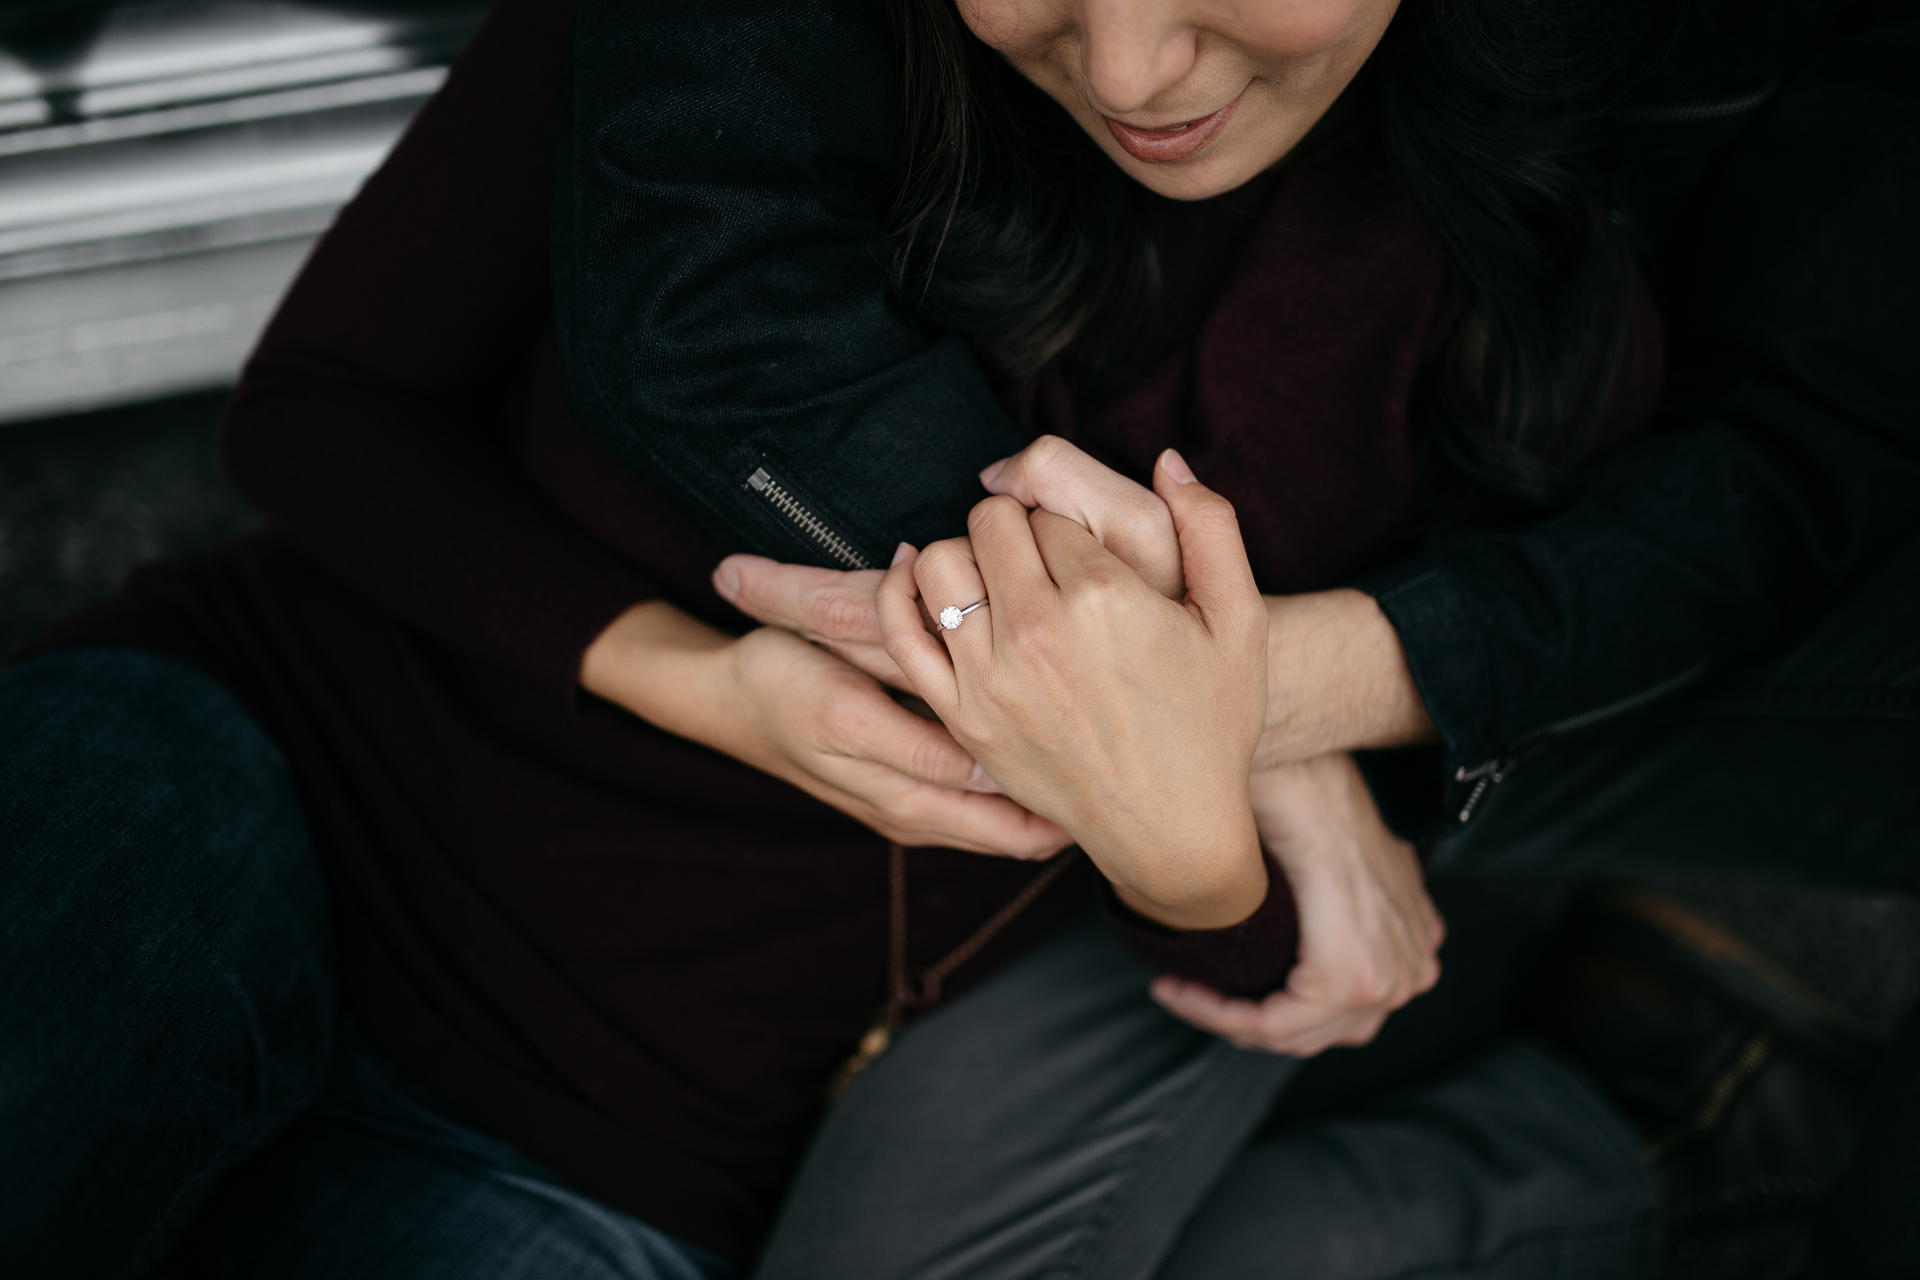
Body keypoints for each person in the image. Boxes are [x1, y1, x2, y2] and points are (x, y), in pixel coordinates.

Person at [0, 0, 1913, 1278]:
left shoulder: (1488, 326)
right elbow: (314, 412)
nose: (1137, 59)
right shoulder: (740, 98)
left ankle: (1632, 1118)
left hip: (611, 1124)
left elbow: (1264, 943)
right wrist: (695, 676)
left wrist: (1223, 777)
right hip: (245, 767)